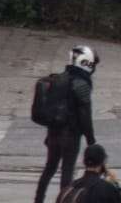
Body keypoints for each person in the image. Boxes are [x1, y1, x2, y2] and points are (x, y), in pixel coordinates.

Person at [33, 46, 97, 203]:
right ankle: (65, 201)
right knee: (67, 171)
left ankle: (38, 199)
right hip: (70, 135)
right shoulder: (81, 84)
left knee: (50, 168)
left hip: (53, 132)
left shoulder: (58, 79)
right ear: (87, 63)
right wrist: (90, 139)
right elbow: (85, 115)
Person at [54, 143, 121, 203]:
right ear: (103, 163)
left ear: (84, 162)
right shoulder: (106, 189)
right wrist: (116, 185)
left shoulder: (67, 190)